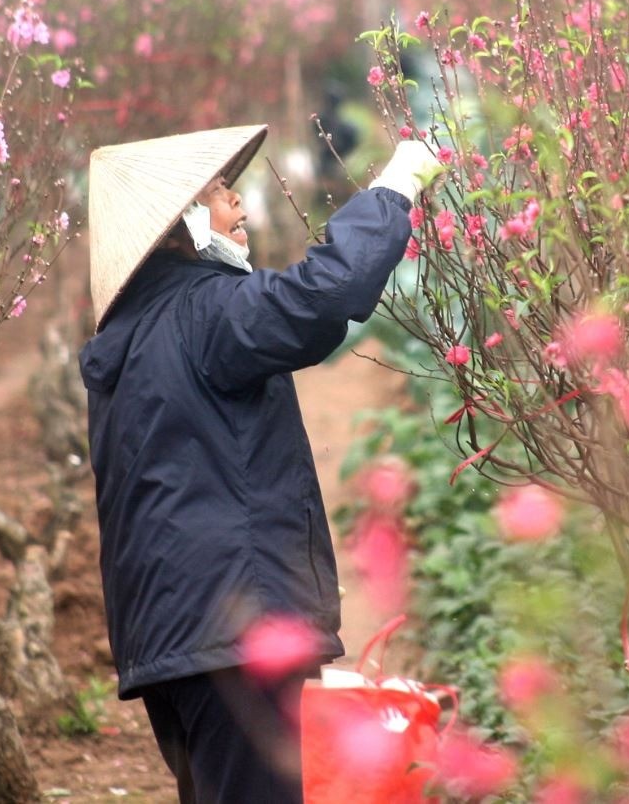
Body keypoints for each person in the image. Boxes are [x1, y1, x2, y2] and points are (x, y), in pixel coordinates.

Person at [79, 124, 443, 803]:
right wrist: (394, 191)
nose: (241, 206)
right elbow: (322, 294)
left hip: (174, 641)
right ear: (184, 222)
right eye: (222, 194)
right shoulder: (203, 314)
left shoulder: (127, 342)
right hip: (234, 638)